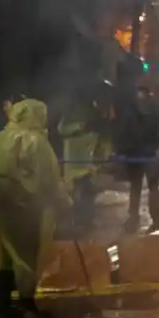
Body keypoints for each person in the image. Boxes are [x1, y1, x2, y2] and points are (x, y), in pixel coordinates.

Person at [0, 98, 73, 318]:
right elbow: (50, 178)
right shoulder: (36, 143)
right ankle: (27, 306)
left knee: (4, 258)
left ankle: (3, 305)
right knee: (26, 258)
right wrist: (65, 203)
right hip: (24, 210)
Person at [117, 86, 159, 233]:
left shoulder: (150, 110)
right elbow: (124, 132)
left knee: (148, 187)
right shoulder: (134, 112)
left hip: (146, 153)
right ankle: (138, 217)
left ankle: (153, 217)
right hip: (137, 154)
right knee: (138, 187)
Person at [58, 97, 100, 226]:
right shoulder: (68, 121)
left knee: (89, 192)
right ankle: (78, 220)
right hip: (74, 163)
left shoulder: (89, 120)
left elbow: (93, 137)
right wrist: (79, 127)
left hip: (86, 162)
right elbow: (61, 130)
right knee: (77, 193)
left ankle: (86, 220)